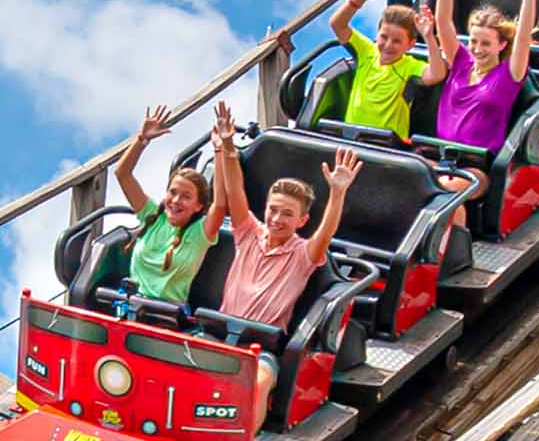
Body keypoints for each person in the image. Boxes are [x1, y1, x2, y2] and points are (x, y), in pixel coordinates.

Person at [416, 0, 539, 234]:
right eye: (473, 41)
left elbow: (523, 37)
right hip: (440, 156)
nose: (477, 48)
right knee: (405, 176)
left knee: (445, 190)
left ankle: (445, 252)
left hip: (476, 168)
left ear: (500, 45)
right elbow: (444, 25)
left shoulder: (507, 75)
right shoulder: (461, 62)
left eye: (485, 43)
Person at [208, 102, 361, 329]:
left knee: (261, 368)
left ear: (302, 221)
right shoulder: (249, 233)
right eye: (273, 210)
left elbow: (327, 231)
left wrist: (338, 192)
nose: (277, 219)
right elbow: (234, 191)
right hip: (220, 332)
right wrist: (228, 147)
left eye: (287, 214)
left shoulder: (302, 255)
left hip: (261, 346)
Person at [112, 105, 225, 304]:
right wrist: (142, 139)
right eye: (173, 193)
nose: (175, 201)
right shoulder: (152, 216)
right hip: (132, 306)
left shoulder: (200, 232)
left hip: (167, 316)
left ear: (198, 206)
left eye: (185, 196)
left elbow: (221, 202)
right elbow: (122, 174)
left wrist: (220, 148)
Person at [326, 0, 448, 141]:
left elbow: (436, 75)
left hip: (387, 144)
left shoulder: (408, 65)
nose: (388, 45)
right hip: (353, 138)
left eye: (397, 41)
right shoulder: (367, 50)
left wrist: (429, 36)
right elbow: (337, 24)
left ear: (410, 44)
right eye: (384, 37)